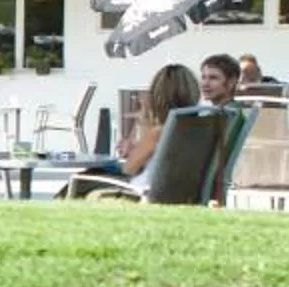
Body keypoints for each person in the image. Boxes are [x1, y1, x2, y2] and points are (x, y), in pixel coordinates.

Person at [66, 63, 199, 194]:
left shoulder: (159, 132)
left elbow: (128, 169)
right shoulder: (198, 128)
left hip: (143, 191)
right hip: (181, 192)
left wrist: (144, 132)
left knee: (82, 179)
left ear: (158, 96)